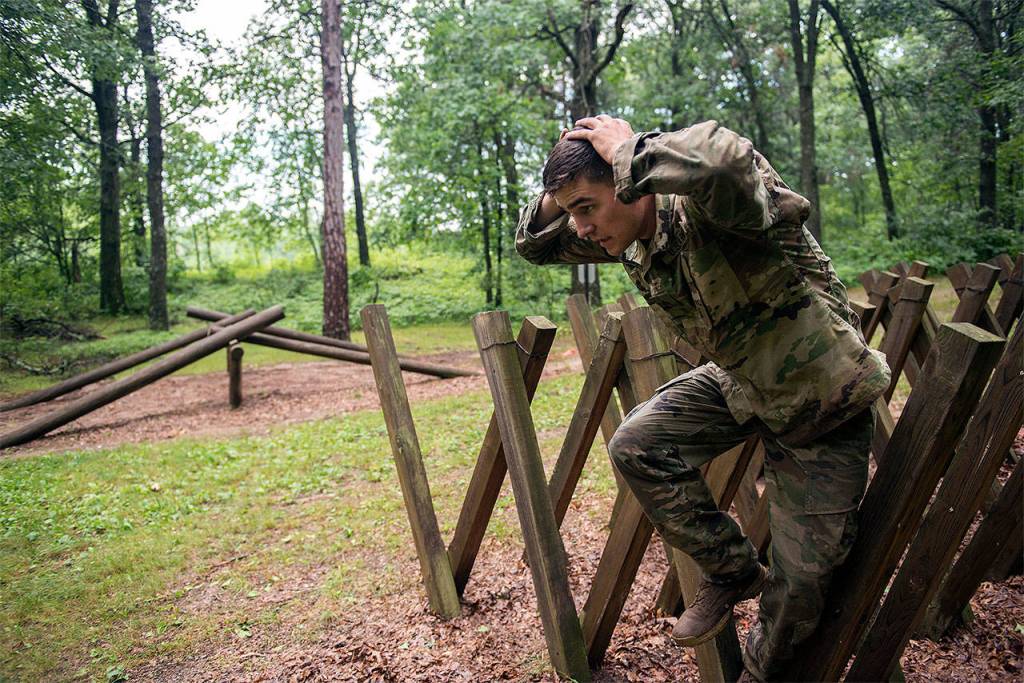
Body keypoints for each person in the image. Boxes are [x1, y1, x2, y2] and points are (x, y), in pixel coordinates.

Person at [515, 116, 890, 681]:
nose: (582, 228)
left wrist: (627, 148)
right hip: (743, 385)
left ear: (629, 181)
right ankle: (734, 571)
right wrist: (565, 190)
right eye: (573, 212)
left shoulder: (710, 207)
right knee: (638, 444)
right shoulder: (627, 232)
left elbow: (723, 158)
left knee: (801, 591)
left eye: (586, 208)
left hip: (822, 401)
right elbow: (533, 246)